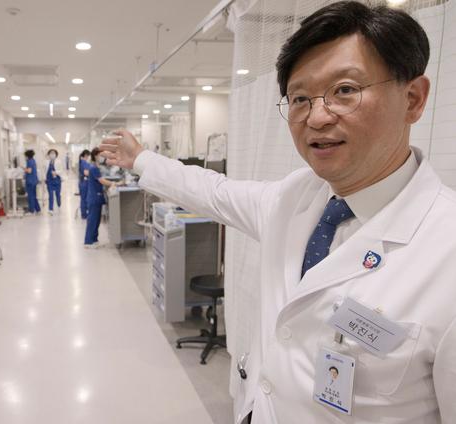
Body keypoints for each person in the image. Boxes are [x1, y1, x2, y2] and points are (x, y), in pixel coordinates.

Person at [100, 2, 456, 423]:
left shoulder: (445, 250)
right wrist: (140, 159)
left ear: (413, 99)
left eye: (345, 90)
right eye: (300, 98)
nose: (317, 117)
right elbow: (214, 192)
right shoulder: (295, 198)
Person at [84, 148, 115, 248]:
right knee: (92, 220)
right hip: (94, 197)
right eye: (101, 155)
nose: (103, 157)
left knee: (97, 220)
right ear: (96, 155)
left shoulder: (96, 167)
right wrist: (113, 183)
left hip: (97, 196)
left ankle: (94, 240)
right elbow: (101, 181)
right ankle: (88, 242)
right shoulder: (93, 168)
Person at [45, 149, 62, 215]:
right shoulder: (46, 162)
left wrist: (56, 172)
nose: (52, 154)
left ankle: (59, 203)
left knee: (58, 194)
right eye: (51, 153)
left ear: (56, 155)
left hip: (57, 180)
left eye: (53, 153)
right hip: (49, 180)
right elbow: (44, 171)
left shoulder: (59, 162)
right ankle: (50, 209)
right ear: (49, 155)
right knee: (50, 195)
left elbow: (61, 171)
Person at [24, 149, 40, 214]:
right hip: (33, 181)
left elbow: (29, 171)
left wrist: (23, 168)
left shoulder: (29, 161)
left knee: (31, 196)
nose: (25, 157)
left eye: (25, 156)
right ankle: (38, 209)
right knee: (34, 196)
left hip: (30, 181)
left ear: (27, 156)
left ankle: (31, 210)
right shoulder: (33, 160)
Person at [78, 150, 91, 219]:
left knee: (84, 198)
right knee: (84, 199)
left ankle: (84, 214)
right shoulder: (83, 162)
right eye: (89, 156)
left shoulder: (83, 161)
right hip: (84, 182)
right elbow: (86, 173)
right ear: (86, 155)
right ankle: (84, 214)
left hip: (83, 182)